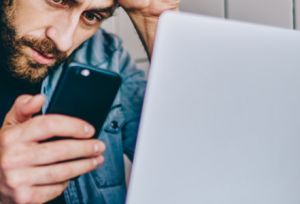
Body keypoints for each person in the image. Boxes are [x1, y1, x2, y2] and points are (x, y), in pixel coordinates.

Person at [0, 0, 180, 203]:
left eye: (91, 16)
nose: (64, 42)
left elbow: (188, 167)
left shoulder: (106, 56)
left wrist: (153, 20)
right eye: (58, 0)